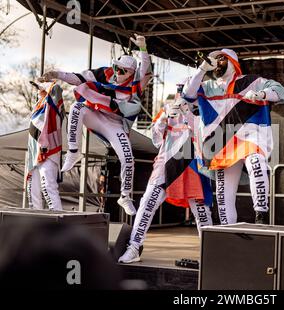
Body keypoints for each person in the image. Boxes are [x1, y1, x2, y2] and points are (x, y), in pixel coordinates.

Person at [39, 34, 151, 216]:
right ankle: (74, 151)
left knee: (128, 158)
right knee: (77, 107)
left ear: (131, 73)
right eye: (116, 67)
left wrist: (143, 48)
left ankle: (125, 196)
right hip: (97, 114)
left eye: (123, 71)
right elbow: (77, 78)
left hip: (116, 123)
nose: (117, 72)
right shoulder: (104, 73)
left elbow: (144, 66)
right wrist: (56, 74)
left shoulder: (136, 82)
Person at [182, 48, 284, 224]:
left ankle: (261, 215)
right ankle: (229, 235)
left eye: (222, 59)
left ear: (233, 63)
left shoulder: (251, 81)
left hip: (250, 138)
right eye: (215, 59)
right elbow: (188, 94)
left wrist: (261, 94)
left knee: (256, 162)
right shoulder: (207, 86)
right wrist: (203, 68)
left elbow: (281, 92)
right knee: (224, 198)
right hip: (220, 146)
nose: (217, 62)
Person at [118, 94, 213, 264]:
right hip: (166, 164)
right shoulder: (167, 109)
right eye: (180, 91)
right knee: (148, 203)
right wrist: (163, 118)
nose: (182, 96)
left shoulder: (204, 111)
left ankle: (211, 254)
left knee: (201, 212)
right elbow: (156, 139)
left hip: (192, 165)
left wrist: (187, 113)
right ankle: (134, 247)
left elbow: (205, 135)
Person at [26, 81, 64, 211]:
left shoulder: (54, 104)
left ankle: (58, 220)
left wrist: (46, 85)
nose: (37, 90)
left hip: (49, 151)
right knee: (32, 190)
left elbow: (57, 89)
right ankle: (36, 222)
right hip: (34, 152)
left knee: (48, 186)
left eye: (39, 87)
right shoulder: (38, 105)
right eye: (37, 87)